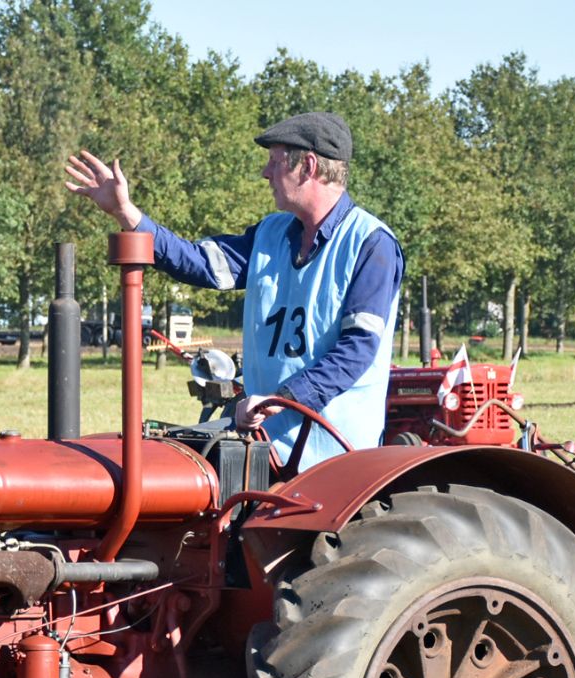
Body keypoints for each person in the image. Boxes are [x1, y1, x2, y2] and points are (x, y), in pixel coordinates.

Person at [66, 111, 404, 469]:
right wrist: (128, 214)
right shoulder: (270, 234)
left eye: (274, 162)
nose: (265, 173)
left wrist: (282, 399)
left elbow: (355, 351)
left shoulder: (370, 243)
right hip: (263, 444)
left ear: (307, 166)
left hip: (337, 460)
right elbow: (198, 261)